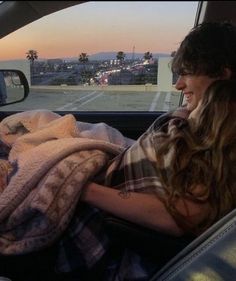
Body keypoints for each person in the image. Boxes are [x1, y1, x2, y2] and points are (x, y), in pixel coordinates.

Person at [51, 21, 236, 281]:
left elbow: (183, 214)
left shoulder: (223, 131)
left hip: (95, 230)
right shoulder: (197, 122)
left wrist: (81, 188)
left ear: (223, 74)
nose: (179, 85)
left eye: (188, 73)